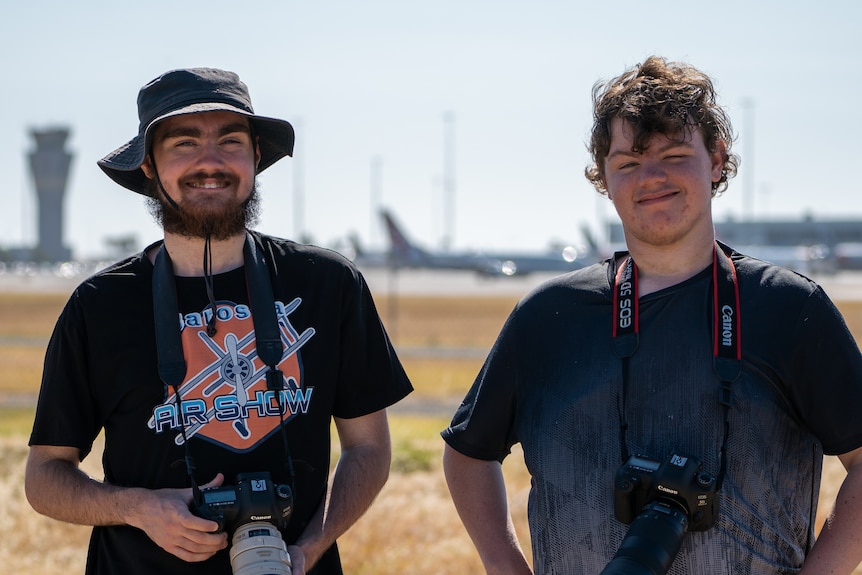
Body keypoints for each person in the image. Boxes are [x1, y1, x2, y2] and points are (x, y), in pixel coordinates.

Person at [441, 55, 862, 574]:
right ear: (604, 179)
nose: (652, 177)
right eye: (628, 162)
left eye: (674, 153)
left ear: (718, 158)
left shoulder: (788, 308)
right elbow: (468, 454)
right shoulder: (548, 317)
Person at [25, 67, 412, 575]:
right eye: (184, 143)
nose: (210, 162)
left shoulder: (327, 284)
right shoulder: (99, 304)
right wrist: (139, 509)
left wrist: (309, 549)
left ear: (256, 157)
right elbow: (44, 478)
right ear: (148, 165)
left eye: (230, 140)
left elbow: (368, 449)